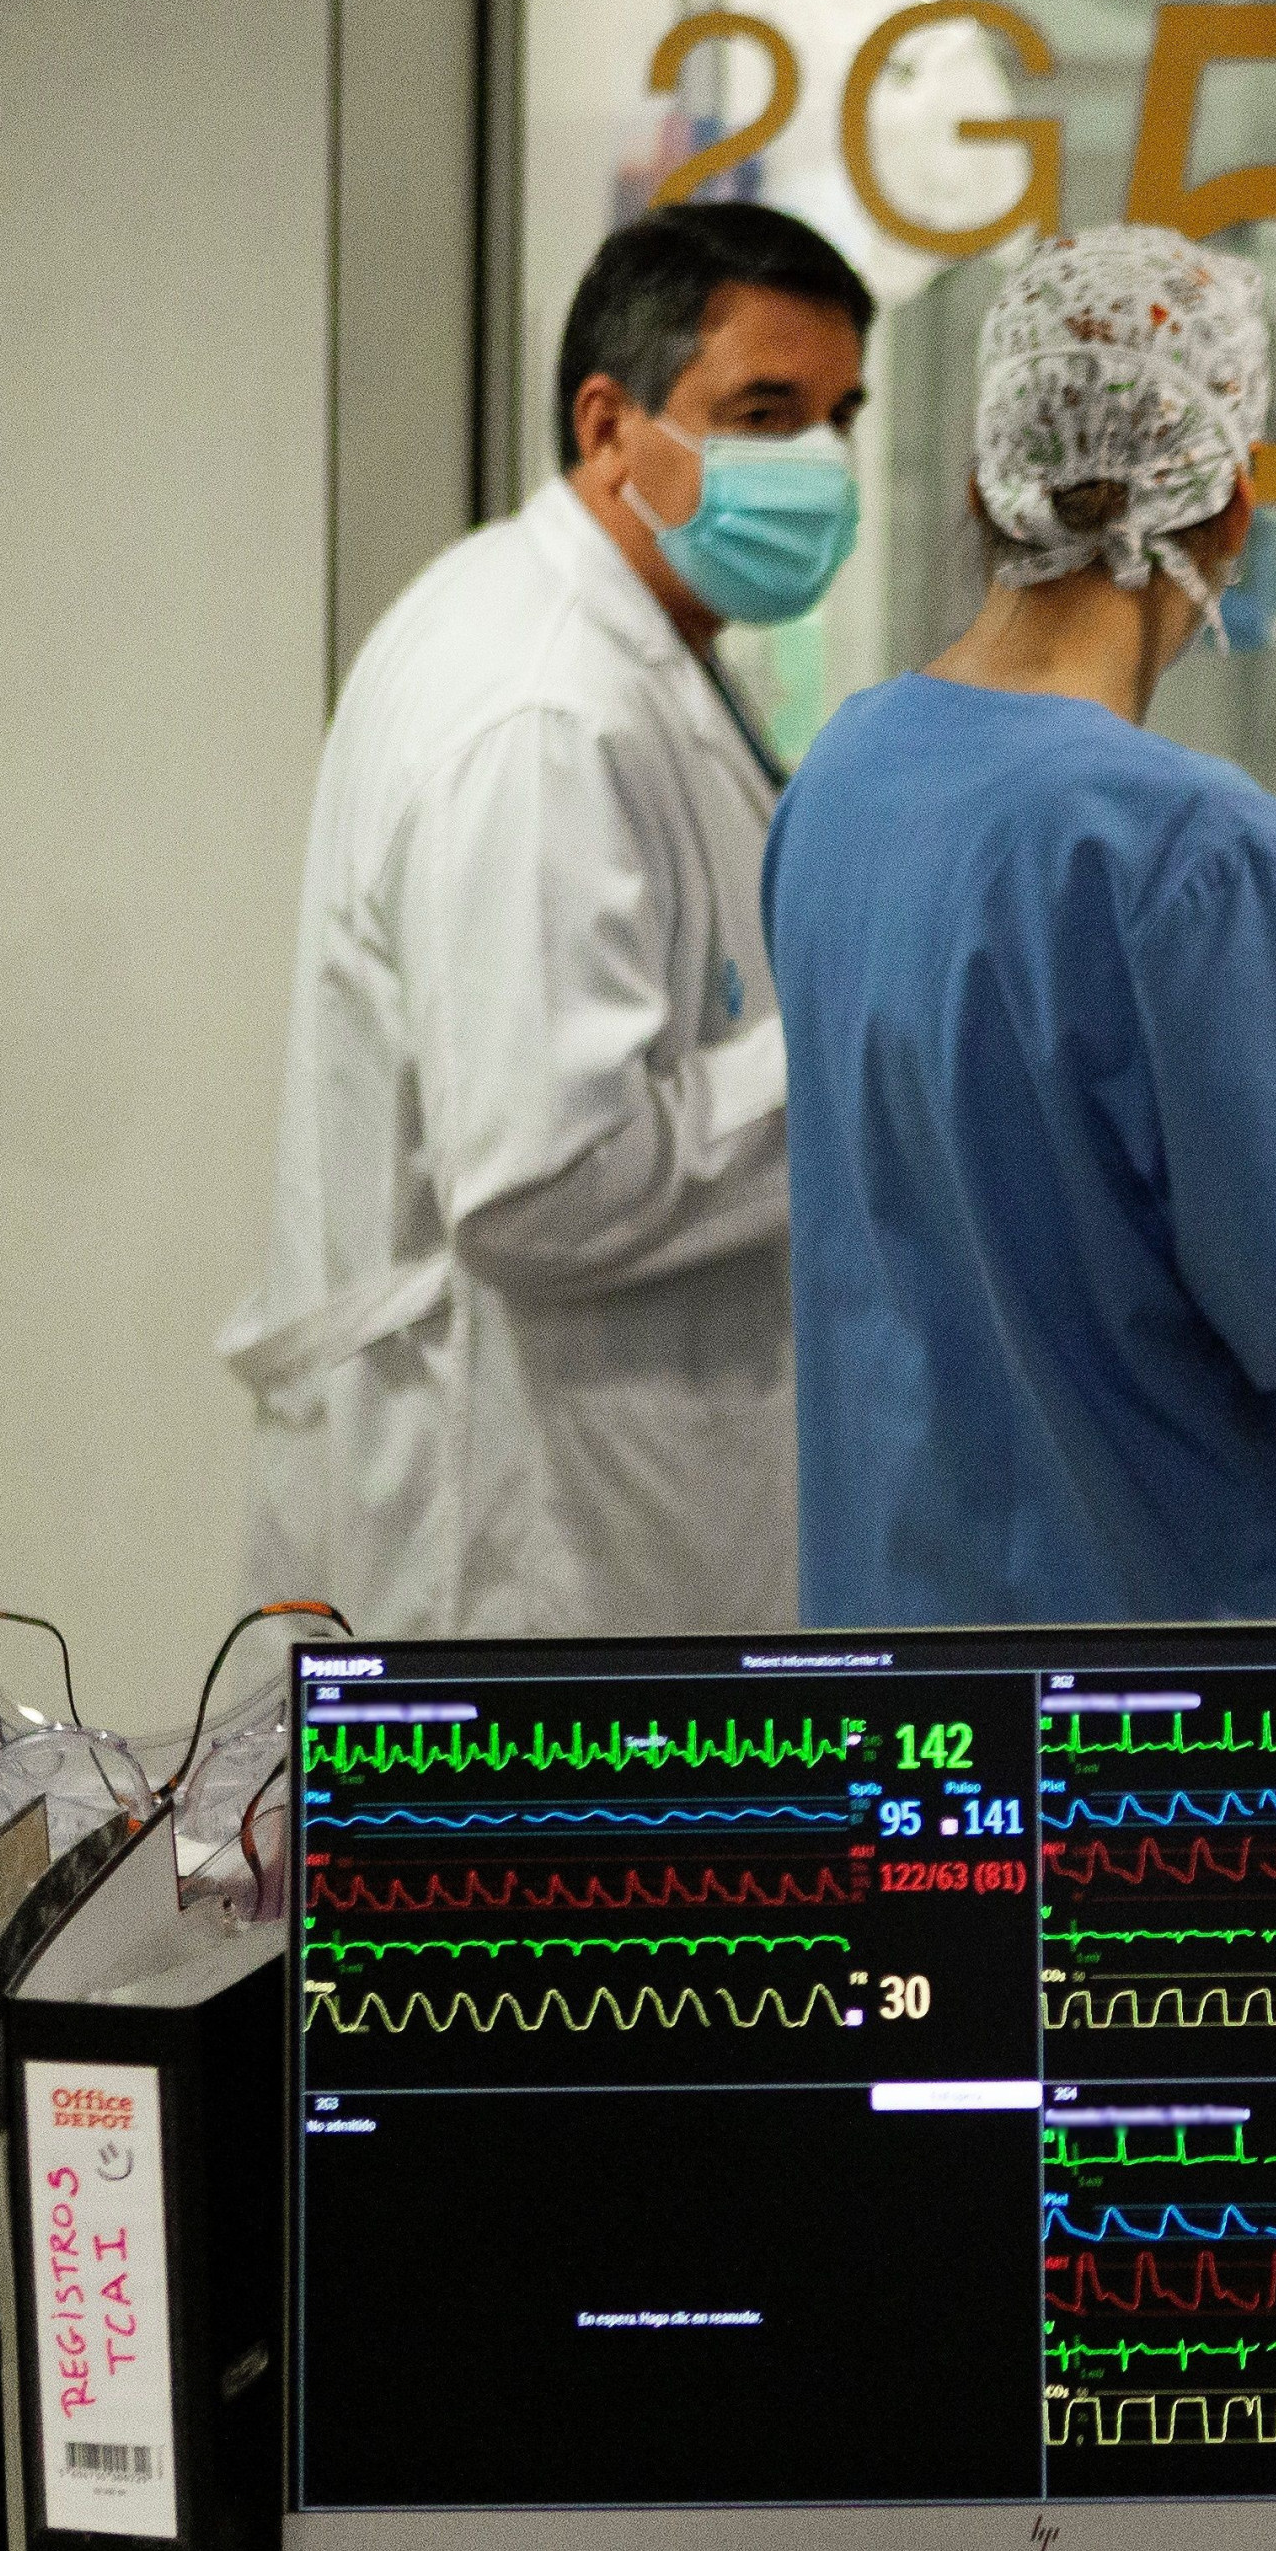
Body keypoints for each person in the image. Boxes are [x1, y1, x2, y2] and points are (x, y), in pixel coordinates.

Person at [766, 224, 1276, 1629]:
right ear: (1231, 509)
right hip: (1174, 1724)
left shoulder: (846, 777)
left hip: (918, 1661)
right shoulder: (1184, 848)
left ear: (984, 485)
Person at [228, 200, 875, 1636]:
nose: (820, 466)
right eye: (764, 410)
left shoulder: (625, 652)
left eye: (839, 416)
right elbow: (543, 1180)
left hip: (605, 1503)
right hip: (529, 1537)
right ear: (607, 422)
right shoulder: (538, 705)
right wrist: (857, 1040)